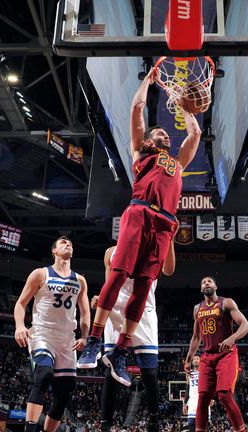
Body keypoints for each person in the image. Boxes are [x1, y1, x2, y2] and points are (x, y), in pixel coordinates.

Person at [78, 66, 202, 385]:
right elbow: (136, 110)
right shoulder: (140, 154)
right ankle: (93, 342)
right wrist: (147, 82)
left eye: (165, 134)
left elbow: (196, 135)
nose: (164, 134)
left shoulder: (177, 163)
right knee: (118, 275)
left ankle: (119, 352)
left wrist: (187, 109)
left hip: (165, 225)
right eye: (158, 133)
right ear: (148, 140)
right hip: (139, 212)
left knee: (145, 288)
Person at [95, 242, 176, 431]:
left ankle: (154, 422)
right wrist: (102, 299)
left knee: (149, 372)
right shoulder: (110, 251)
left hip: (144, 309)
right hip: (116, 310)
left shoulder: (156, 246)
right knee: (111, 371)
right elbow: (110, 284)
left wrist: (170, 237)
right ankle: (105, 424)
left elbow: (170, 270)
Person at [13, 237, 91, 432]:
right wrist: (20, 326)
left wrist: (84, 336)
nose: (68, 244)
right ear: (54, 251)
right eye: (63, 242)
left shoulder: (80, 280)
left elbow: (85, 311)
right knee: (44, 375)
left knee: (65, 393)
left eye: (71, 243)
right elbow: (21, 303)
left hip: (67, 339)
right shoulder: (40, 274)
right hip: (42, 333)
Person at [184, 276, 248, 432]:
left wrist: (232, 338)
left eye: (209, 281)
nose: (206, 283)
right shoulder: (197, 309)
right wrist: (188, 360)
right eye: (203, 282)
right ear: (201, 289)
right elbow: (196, 337)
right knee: (202, 399)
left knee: (224, 394)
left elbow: (245, 325)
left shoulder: (226, 302)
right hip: (207, 357)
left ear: (215, 286)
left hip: (226, 354)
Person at [183, 355, 212, 432]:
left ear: (201, 361)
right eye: (194, 359)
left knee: (204, 425)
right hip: (192, 402)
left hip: (203, 401)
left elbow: (211, 385)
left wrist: (212, 398)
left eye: (197, 359)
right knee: (191, 424)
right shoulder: (189, 373)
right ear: (192, 362)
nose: (196, 360)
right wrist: (185, 404)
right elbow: (187, 389)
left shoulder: (206, 372)